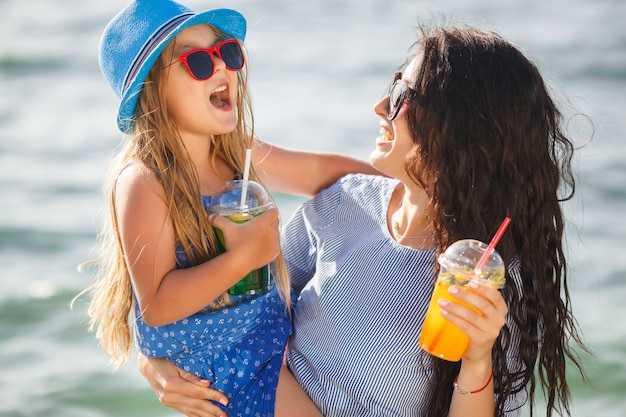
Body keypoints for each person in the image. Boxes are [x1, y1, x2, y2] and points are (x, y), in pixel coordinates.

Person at [138, 24, 588, 417]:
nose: (379, 107)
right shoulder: (342, 204)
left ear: (461, 127)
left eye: (400, 97)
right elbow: (236, 310)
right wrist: (155, 364)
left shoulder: (486, 280)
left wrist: (476, 361)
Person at [75, 1, 378, 416]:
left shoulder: (236, 153)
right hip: (227, 373)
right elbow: (158, 304)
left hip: (270, 340)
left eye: (227, 52)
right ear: (153, 95)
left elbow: (319, 172)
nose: (221, 68)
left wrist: (399, 187)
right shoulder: (145, 182)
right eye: (198, 61)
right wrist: (244, 257)